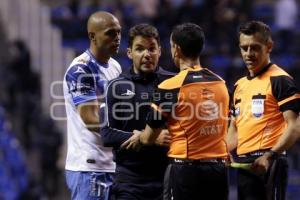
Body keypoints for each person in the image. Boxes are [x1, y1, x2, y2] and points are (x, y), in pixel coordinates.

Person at [122, 23, 230, 200]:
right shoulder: (221, 84)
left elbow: (149, 137)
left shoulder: (169, 87)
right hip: (218, 171)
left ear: (176, 49)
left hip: (185, 171)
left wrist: (139, 136)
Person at [226, 21, 300, 200]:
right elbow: (234, 129)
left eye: (255, 48)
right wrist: (224, 150)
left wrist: (270, 155)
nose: (248, 53)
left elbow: (295, 126)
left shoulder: (281, 80)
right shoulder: (238, 86)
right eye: (244, 48)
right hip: (244, 166)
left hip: (270, 163)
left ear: (269, 47)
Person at [100, 23, 173, 200]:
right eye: (140, 49)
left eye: (151, 49)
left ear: (160, 51)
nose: (147, 54)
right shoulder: (116, 86)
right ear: (129, 53)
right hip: (129, 180)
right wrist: (149, 138)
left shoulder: (172, 83)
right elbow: (107, 134)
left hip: (167, 177)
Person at [63, 11, 121, 200]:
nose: (117, 38)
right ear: (92, 36)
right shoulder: (81, 70)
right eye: (110, 33)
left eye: (119, 32)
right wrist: (131, 135)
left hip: (110, 164)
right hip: (89, 168)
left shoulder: (115, 66)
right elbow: (90, 119)